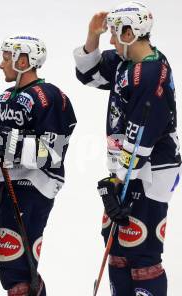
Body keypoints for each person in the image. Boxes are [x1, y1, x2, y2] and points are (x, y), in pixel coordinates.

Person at [74, 2, 181, 295]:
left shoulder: (150, 72)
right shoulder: (127, 62)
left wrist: (119, 181)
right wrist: (92, 36)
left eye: (114, 34)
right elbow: (88, 74)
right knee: (117, 246)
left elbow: (142, 135)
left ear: (131, 33)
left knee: (141, 250)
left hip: (150, 171)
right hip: (128, 168)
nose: (110, 40)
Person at [0, 35, 77, 295]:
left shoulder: (48, 96)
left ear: (24, 60)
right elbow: (0, 148)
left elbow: (52, 152)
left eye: (7, 58)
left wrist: (7, 143)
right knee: (7, 265)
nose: (2, 65)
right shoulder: (5, 96)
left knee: (19, 268)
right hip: (5, 183)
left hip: (34, 185)